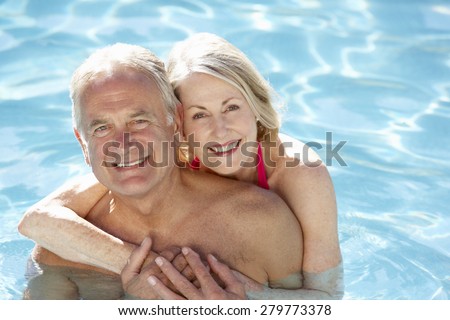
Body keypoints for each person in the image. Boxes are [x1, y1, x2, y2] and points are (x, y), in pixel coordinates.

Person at [18, 42, 303, 300]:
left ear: (176, 122)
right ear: (83, 144)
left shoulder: (261, 223)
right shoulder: (62, 248)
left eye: (139, 120)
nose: (123, 144)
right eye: (102, 128)